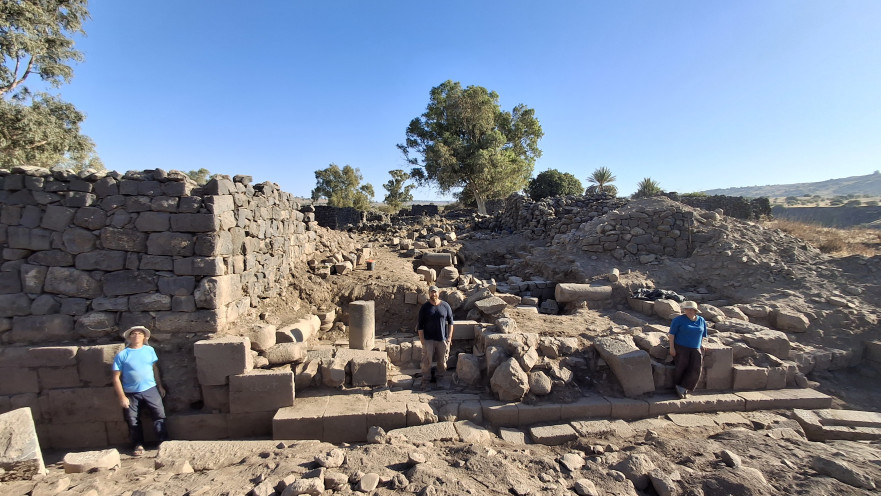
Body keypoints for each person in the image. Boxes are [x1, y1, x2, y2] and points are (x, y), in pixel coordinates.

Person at [112, 325, 168, 456]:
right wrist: (122, 397)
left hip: (150, 388)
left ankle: (163, 442)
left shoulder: (149, 350)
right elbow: (115, 377)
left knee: (159, 415)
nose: (137, 335)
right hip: (131, 392)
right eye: (134, 333)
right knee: (133, 419)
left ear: (144, 337)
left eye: (140, 333)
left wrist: (159, 386)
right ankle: (138, 444)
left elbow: (154, 368)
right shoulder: (122, 355)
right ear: (129, 337)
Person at [417, 285, 454, 390]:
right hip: (428, 339)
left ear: (438, 293)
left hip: (442, 339)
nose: (433, 294)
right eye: (431, 292)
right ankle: (425, 381)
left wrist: (449, 337)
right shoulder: (425, 307)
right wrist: (422, 340)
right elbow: (420, 325)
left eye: (435, 292)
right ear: (429, 294)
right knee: (427, 361)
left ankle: (440, 379)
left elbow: (451, 322)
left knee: (442, 361)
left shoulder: (445, 306)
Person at [668, 301, 707, 399]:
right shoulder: (678, 320)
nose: (689, 311)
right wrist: (672, 348)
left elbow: (702, 334)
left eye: (691, 309)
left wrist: (701, 345)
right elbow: (671, 334)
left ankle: (684, 387)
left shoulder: (701, 320)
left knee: (696, 368)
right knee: (682, 366)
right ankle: (677, 386)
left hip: (695, 347)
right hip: (681, 346)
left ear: (695, 311)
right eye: (687, 309)